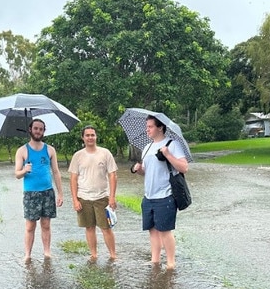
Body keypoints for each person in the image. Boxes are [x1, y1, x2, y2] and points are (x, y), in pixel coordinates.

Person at [130, 115, 188, 269]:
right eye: (147, 126)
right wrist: (139, 170)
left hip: (166, 195)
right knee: (152, 230)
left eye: (150, 126)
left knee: (165, 231)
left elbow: (184, 168)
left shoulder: (172, 144)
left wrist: (168, 154)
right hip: (148, 196)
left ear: (160, 127)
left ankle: (170, 263)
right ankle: (155, 260)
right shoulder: (147, 148)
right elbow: (147, 172)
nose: (147, 129)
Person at [14, 118, 64, 262]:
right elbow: (17, 174)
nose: (38, 131)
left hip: (48, 192)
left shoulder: (50, 150)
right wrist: (24, 170)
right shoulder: (22, 151)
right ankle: (27, 254)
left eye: (41, 129)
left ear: (44, 131)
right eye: (35, 128)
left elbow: (56, 172)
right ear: (30, 130)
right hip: (31, 193)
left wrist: (60, 193)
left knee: (46, 224)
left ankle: (47, 252)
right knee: (30, 225)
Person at [68, 126, 118, 260]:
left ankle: (113, 255)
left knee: (106, 228)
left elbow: (112, 175)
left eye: (92, 135)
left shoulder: (105, 153)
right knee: (89, 227)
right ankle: (94, 255)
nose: (90, 138)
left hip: (102, 197)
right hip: (83, 197)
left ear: (96, 137)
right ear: (83, 138)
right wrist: (75, 200)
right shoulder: (78, 156)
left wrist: (112, 197)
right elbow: (73, 179)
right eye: (87, 135)